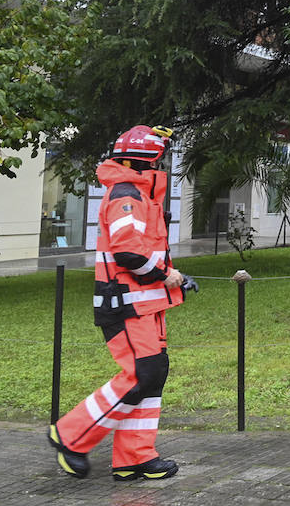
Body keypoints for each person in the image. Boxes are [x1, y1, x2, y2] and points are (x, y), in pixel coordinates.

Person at [47, 125, 191, 481]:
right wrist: (165, 275)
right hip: (126, 306)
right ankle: (71, 435)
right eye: (159, 162)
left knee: (151, 376)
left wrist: (173, 278)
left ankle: (134, 458)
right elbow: (128, 253)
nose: (163, 169)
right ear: (145, 165)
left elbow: (143, 251)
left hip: (144, 306)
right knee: (140, 375)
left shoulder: (140, 197)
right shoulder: (127, 196)